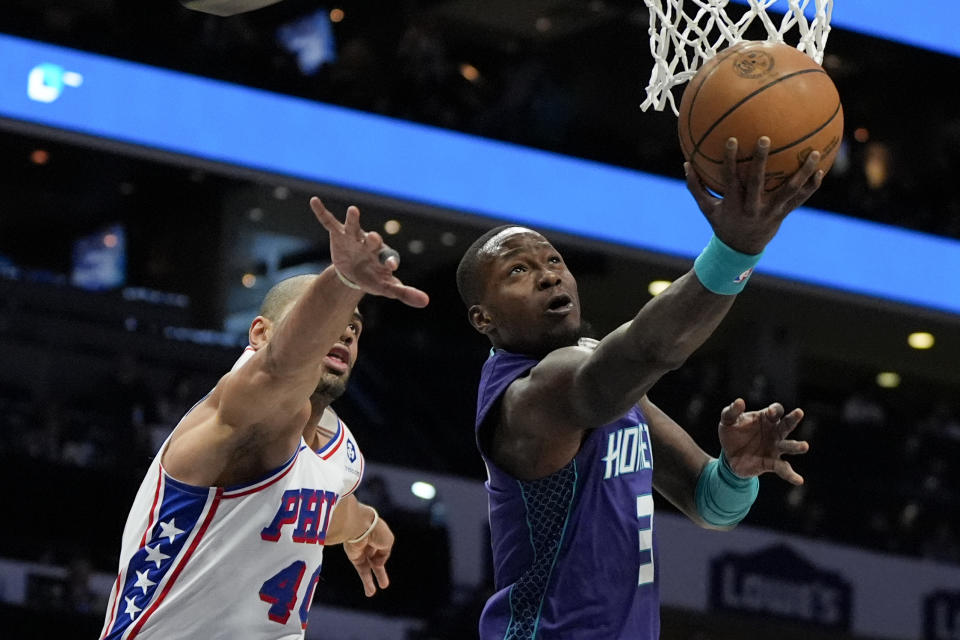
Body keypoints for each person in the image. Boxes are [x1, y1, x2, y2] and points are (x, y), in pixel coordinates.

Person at [456, 139, 819, 639]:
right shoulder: (528, 394)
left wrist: (736, 472)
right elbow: (648, 350)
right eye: (518, 270)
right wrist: (736, 249)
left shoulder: (594, 370)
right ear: (484, 318)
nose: (546, 276)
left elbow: (711, 506)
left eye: (554, 261)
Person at [100, 198, 429, 640]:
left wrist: (366, 525)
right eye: (331, 319)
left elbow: (320, 510)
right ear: (260, 333)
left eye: (353, 327)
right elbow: (281, 368)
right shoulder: (239, 408)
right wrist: (345, 281)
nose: (345, 331)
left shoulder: (337, 450)